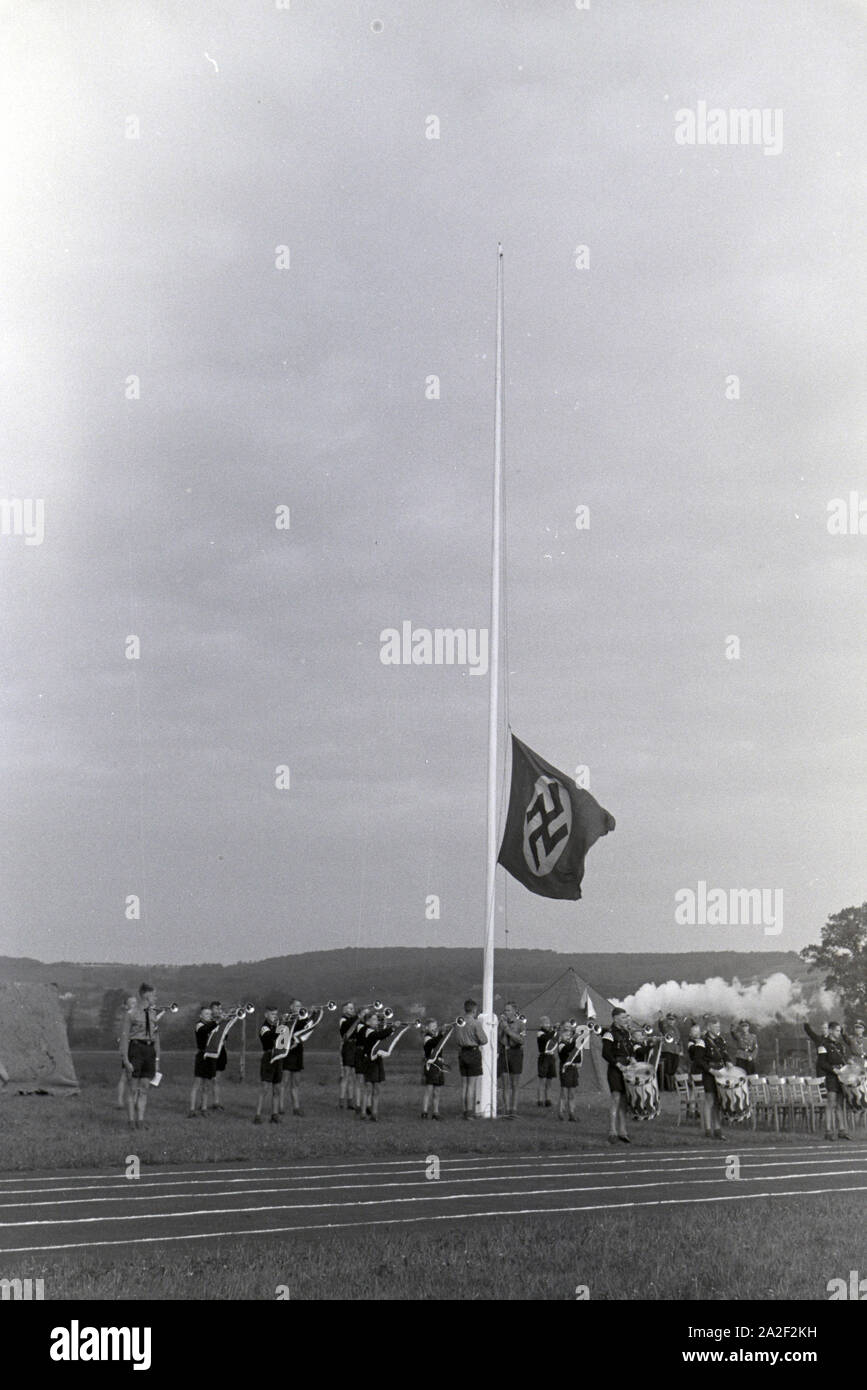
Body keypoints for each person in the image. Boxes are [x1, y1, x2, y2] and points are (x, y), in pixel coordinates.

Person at [120, 983, 161, 1130]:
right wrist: (125, 1059)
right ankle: (131, 1121)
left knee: (144, 1087)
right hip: (135, 1050)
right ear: (146, 995)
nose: (156, 997)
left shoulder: (153, 1014)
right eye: (154, 995)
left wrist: (157, 1060)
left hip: (149, 1051)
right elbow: (124, 1038)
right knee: (132, 1088)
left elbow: (156, 1038)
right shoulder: (131, 1013)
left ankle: (141, 1121)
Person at [601, 1007, 639, 1144]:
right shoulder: (609, 1034)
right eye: (623, 1017)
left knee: (624, 1101)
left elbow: (630, 1049)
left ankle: (623, 1131)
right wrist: (618, 1065)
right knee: (616, 1099)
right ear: (615, 1018)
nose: (626, 1020)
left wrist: (633, 1058)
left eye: (626, 1017)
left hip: (627, 1069)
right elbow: (606, 1053)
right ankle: (612, 1131)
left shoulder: (626, 1033)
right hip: (616, 1069)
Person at [692, 1016, 729, 1139]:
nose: (718, 1028)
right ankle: (708, 1130)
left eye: (718, 1026)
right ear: (708, 1027)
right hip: (708, 1074)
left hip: (720, 1074)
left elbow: (724, 1054)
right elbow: (698, 1060)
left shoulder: (720, 1040)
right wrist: (711, 1070)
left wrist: (728, 1062)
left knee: (718, 1102)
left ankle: (718, 1130)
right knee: (710, 1100)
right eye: (715, 1026)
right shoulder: (702, 1041)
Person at [815, 1020, 852, 1141]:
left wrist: (847, 1064)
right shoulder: (823, 1045)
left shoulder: (840, 1046)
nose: (839, 1033)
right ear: (830, 1030)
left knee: (840, 1104)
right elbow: (821, 1062)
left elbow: (842, 1059)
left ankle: (842, 1130)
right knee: (831, 1103)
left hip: (841, 1076)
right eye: (837, 1030)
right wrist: (832, 1069)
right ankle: (828, 1131)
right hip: (831, 1077)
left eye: (840, 1031)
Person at [454, 1000, 488, 1119]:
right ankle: (469, 1112)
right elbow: (484, 1040)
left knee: (464, 1085)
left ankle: (464, 1111)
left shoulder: (459, 1022)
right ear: (474, 1010)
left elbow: (457, 1039)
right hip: (473, 1053)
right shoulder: (475, 1023)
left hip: (462, 1052)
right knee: (471, 1085)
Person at [359, 1009, 394, 1121]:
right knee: (368, 1088)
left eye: (376, 1019)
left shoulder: (375, 1030)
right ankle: (363, 1112)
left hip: (377, 1060)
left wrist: (390, 1029)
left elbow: (384, 1036)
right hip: (369, 1061)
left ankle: (374, 1113)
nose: (376, 1021)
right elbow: (379, 1035)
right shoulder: (368, 1030)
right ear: (368, 1021)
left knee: (377, 1088)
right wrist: (392, 1028)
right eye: (373, 1019)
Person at [253, 1007, 283, 1124]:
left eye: (276, 1014)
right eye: (272, 1014)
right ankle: (258, 1115)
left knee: (277, 1088)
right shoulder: (264, 1027)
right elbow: (269, 1038)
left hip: (278, 1057)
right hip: (268, 1057)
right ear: (266, 1015)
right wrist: (280, 1025)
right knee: (265, 1088)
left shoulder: (277, 1026)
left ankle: (274, 1115)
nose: (275, 1016)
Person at [497, 1001, 525, 1117]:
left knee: (515, 1083)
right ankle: (507, 1108)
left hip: (516, 1052)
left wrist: (507, 1030)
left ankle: (514, 1109)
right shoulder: (501, 1024)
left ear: (514, 1011)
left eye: (508, 1010)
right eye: (505, 1010)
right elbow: (498, 1039)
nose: (506, 1013)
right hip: (504, 1052)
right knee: (505, 1082)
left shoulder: (520, 1024)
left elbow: (521, 1040)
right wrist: (501, 1028)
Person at [189, 1007, 216, 1117]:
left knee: (207, 1084)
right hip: (202, 1055)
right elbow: (204, 1030)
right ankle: (192, 1109)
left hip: (211, 1055)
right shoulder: (199, 1025)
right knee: (197, 1083)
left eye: (210, 1013)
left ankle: (204, 1108)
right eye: (206, 1013)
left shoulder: (214, 1025)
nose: (209, 1015)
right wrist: (217, 1021)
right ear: (200, 1016)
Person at [420, 1018, 448, 1120]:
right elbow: (433, 1043)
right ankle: (424, 1111)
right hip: (431, 1065)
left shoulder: (437, 1037)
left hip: (438, 1064)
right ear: (427, 1028)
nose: (435, 1028)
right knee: (429, 1089)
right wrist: (441, 1034)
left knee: (438, 1090)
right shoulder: (427, 1037)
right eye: (433, 1027)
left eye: (436, 1026)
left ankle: (436, 1112)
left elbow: (439, 1047)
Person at [557, 1021, 582, 1121]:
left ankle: (572, 1113)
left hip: (573, 1068)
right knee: (564, 1091)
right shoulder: (561, 1044)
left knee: (572, 1092)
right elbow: (566, 1049)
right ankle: (561, 1112)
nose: (568, 1035)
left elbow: (577, 1056)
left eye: (569, 1034)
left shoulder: (572, 1043)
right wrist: (575, 1039)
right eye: (565, 1034)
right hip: (565, 1068)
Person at [116, 994, 137, 1108]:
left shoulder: (133, 1015)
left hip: (134, 1047)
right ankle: (122, 1101)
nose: (135, 1005)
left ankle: (128, 1100)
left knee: (129, 1076)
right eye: (132, 1003)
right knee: (126, 1076)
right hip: (129, 1048)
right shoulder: (127, 1016)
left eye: (135, 1002)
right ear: (126, 1006)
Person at [338, 1002, 360, 1110]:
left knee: (352, 1076)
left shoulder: (355, 1019)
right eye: (350, 1008)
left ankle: (350, 1101)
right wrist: (359, 1016)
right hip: (347, 1047)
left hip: (355, 1047)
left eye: (353, 1008)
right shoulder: (343, 1020)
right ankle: (342, 1101)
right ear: (344, 1010)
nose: (352, 1010)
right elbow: (347, 1028)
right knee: (346, 1074)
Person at [209, 1001, 229, 1110]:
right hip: (211, 1051)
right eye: (216, 1008)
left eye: (220, 1008)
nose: (219, 1010)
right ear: (211, 1009)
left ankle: (216, 1102)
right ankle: (204, 1103)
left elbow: (225, 1036)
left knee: (217, 1079)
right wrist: (219, 1020)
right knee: (208, 1078)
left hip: (221, 1051)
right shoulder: (208, 1020)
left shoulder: (223, 1022)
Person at [656, 1013, 682, 1092]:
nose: (671, 1021)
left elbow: (678, 1041)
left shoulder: (676, 1029)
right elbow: (661, 1027)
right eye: (669, 1019)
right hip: (667, 1050)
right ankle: (669, 1087)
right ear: (667, 1020)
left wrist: (680, 1050)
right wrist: (661, 1020)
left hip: (675, 1051)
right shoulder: (665, 1028)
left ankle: (672, 1085)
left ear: (675, 1021)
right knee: (668, 1068)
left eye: (672, 1019)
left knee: (674, 1067)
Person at [536, 1015, 558, 1107]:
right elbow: (546, 1038)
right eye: (545, 1023)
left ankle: (548, 1099)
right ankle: (540, 1099)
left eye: (548, 1023)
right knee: (542, 1079)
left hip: (551, 1056)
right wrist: (554, 1030)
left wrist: (555, 1030)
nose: (547, 1025)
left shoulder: (552, 1032)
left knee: (549, 1079)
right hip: (544, 1056)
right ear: (541, 1024)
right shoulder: (540, 1033)